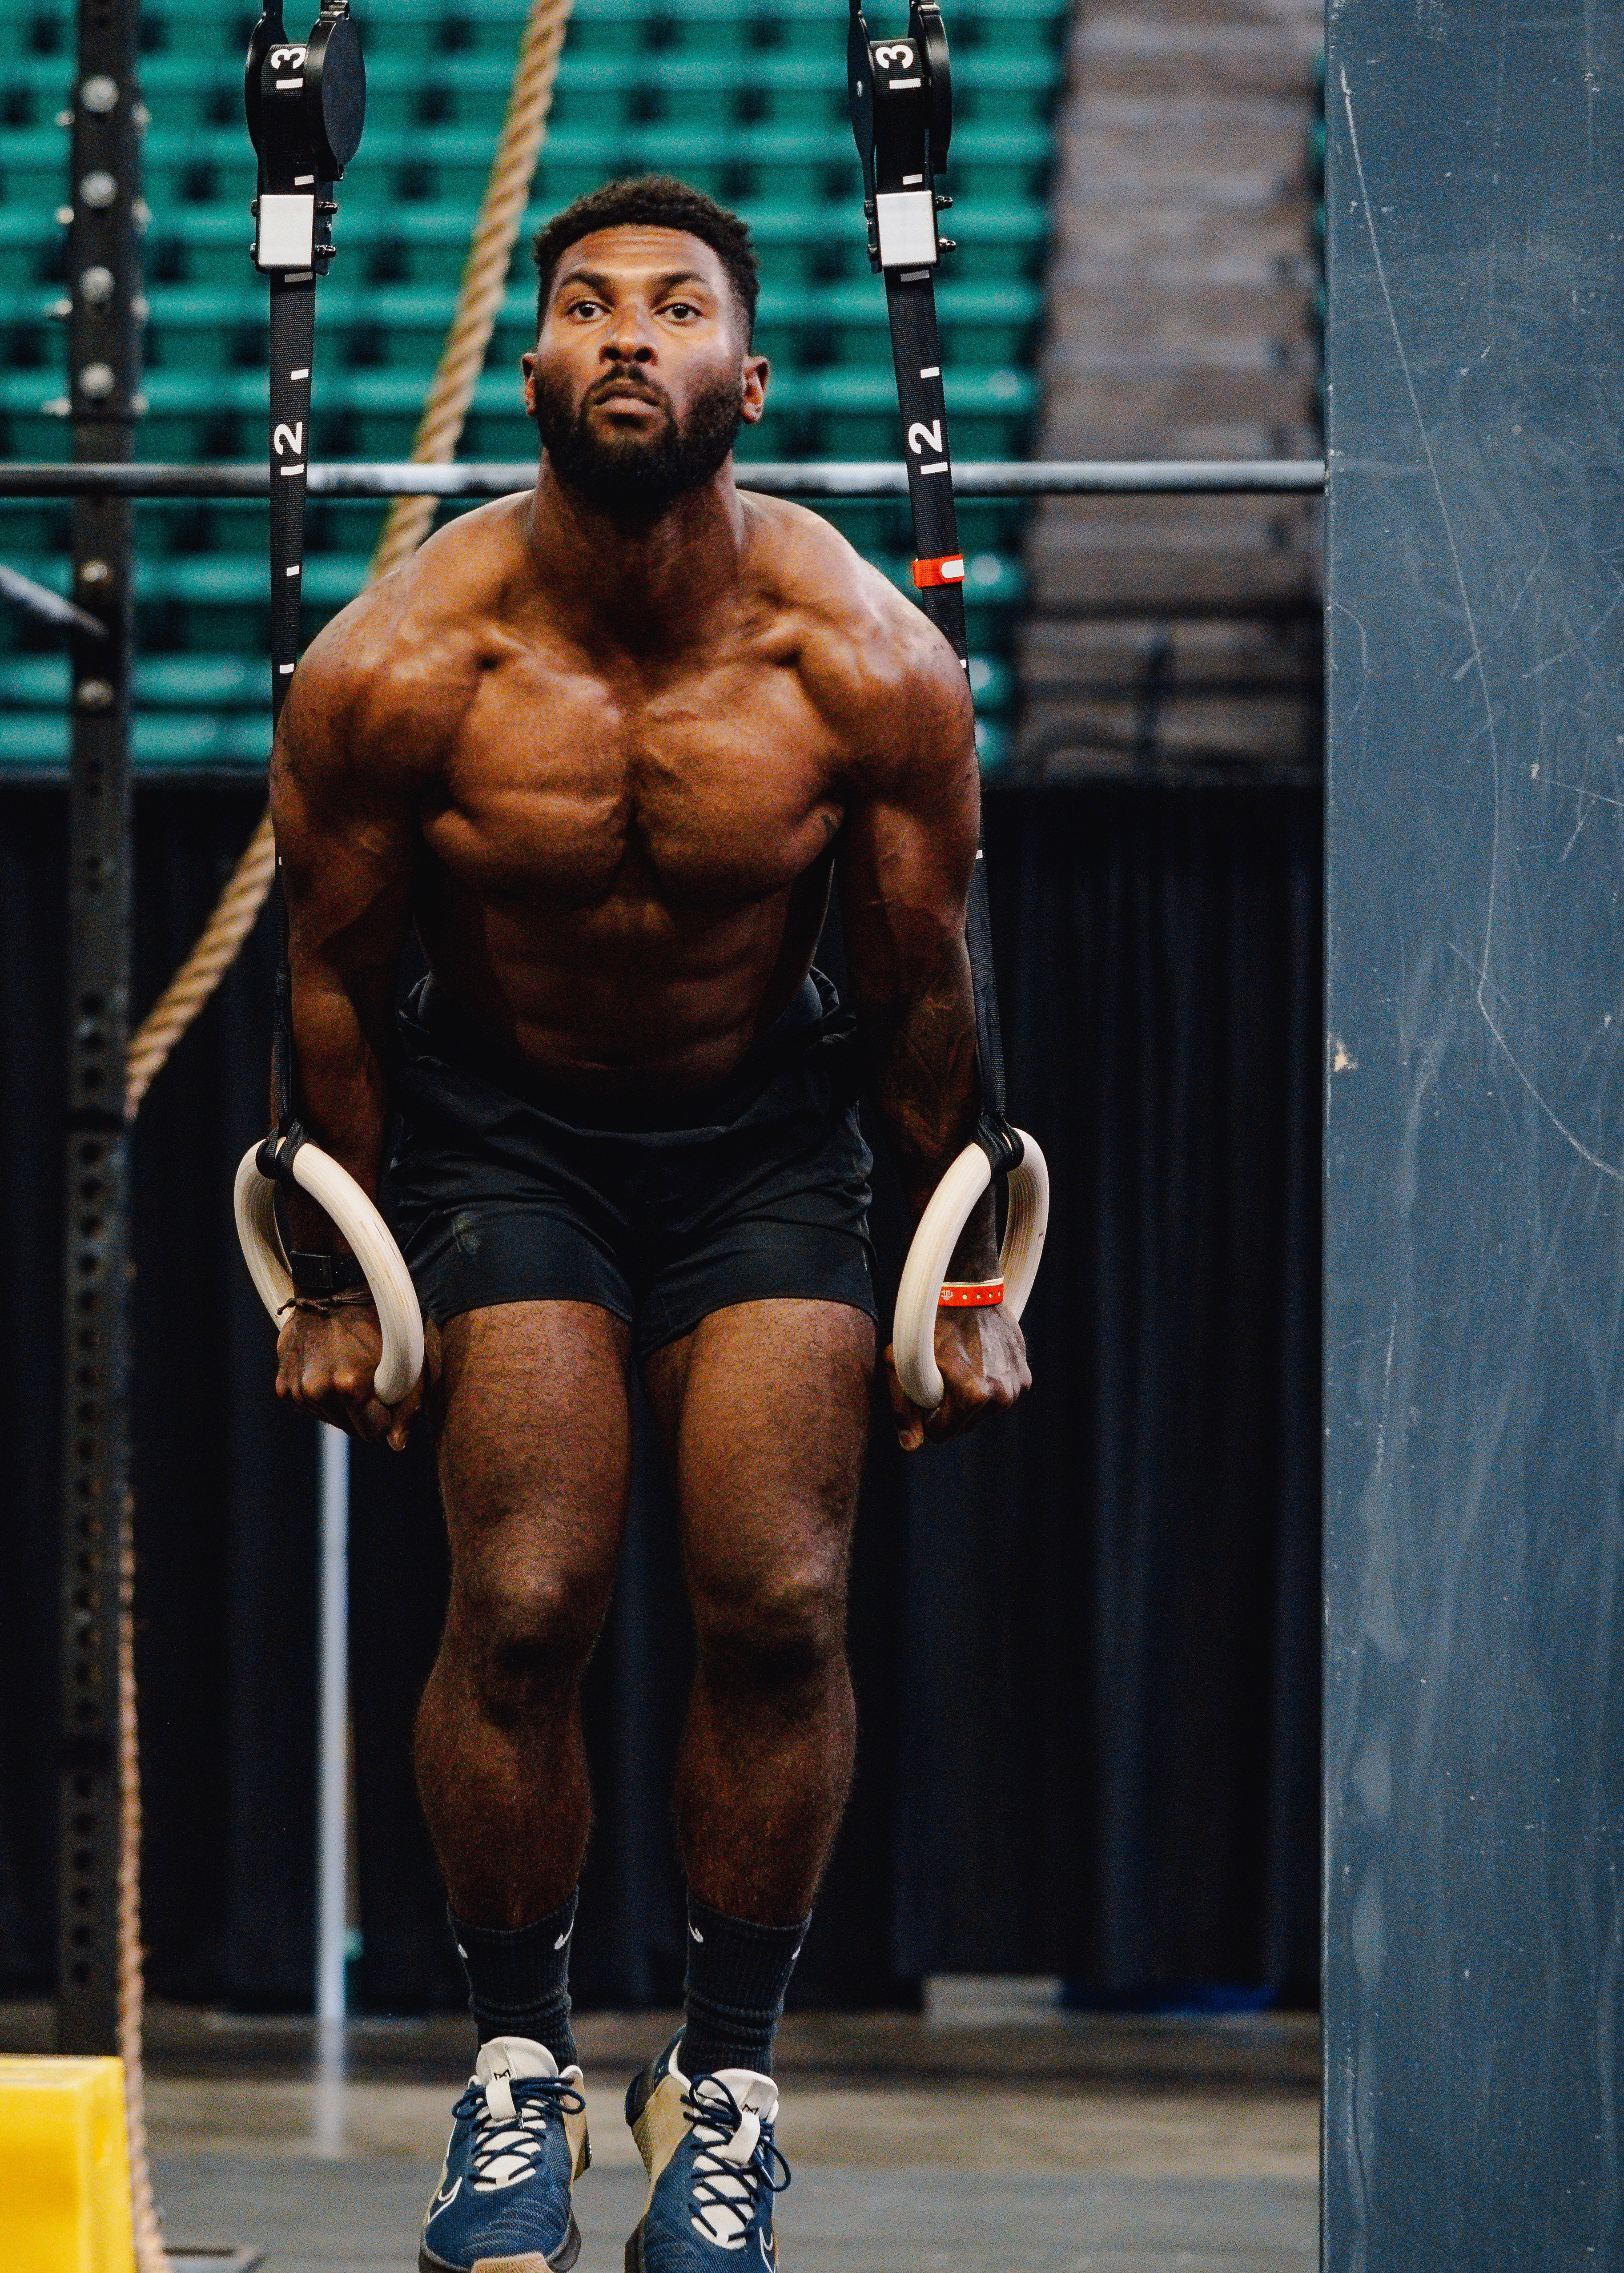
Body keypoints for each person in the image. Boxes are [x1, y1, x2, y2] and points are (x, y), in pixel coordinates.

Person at [267, 173, 1031, 2273]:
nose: (627, 335)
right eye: (587, 304)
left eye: (676, 307)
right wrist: (335, 1266)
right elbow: (326, 982)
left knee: (779, 1598)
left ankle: (729, 2088)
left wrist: (961, 1266)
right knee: (524, 1596)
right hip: (501, 1140)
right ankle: (515, 2080)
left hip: (763, 1144)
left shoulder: (861, 657)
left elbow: (923, 989)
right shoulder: (396, 660)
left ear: (748, 374)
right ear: (531, 367)